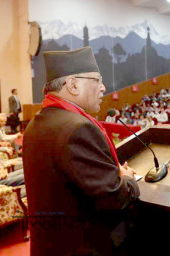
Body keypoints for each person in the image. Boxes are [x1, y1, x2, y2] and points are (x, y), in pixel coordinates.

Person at [23, 47, 140, 256]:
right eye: (97, 80)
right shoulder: (78, 128)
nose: (103, 87)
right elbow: (114, 198)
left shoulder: (38, 122)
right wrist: (127, 178)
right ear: (74, 85)